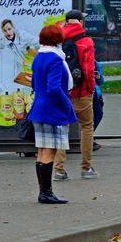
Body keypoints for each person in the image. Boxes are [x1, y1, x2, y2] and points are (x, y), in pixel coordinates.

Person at [27, 24, 77, 204]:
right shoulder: (55, 59)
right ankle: (46, 194)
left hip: (38, 108)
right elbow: (54, 88)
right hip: (52, 110)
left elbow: (34, 84)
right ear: (58, 39)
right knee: (50, 151)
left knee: (42, 152)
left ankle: (44, 192)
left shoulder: (39, 57)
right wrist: (66, 104)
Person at [54, 10, 97, 181]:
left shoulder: (58, 40)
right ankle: (86, 168)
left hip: (62, 93)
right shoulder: (86, 41)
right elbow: (88, 69)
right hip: (81, 93)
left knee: (61, 130)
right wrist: (91, 88)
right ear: (80, 21)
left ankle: (59, 170)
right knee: (86, 127)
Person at [91, 60, 104, 151]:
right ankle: (87, 137)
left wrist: (98, 77)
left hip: (95, 93)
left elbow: (101, 81)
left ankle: (88, 136)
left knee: (98, 114)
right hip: (86, 92)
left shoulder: (96, 64)